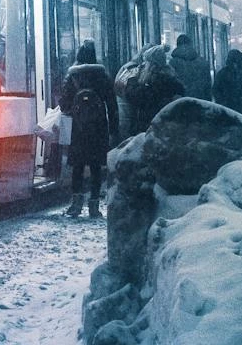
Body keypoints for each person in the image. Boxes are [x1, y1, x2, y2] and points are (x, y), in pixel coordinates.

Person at [58, 39, 119, 218]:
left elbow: (63, 103)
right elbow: (112, 104)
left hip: (78, 128)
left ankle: (76, 205)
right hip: (98, 127)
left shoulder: (72, 77)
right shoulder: (102, 76)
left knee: (77, 166)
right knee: (95, 167)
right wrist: (114, 129)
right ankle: (94, 206)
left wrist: (74, 110)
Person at [115, 43, 185, 136]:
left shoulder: (151, 81)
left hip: (147, 126)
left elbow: (136, 96)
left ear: (151, 65)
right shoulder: (171, 78)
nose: (143, 65)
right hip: (163, 126)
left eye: (146, 62)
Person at [169, 32, 212, 101]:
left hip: (180, 103)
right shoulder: (203, 62)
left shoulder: (172, 63)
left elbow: (171, 87)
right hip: (200, 102)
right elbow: (207, 87)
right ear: (191, 44)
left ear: (177, 45)